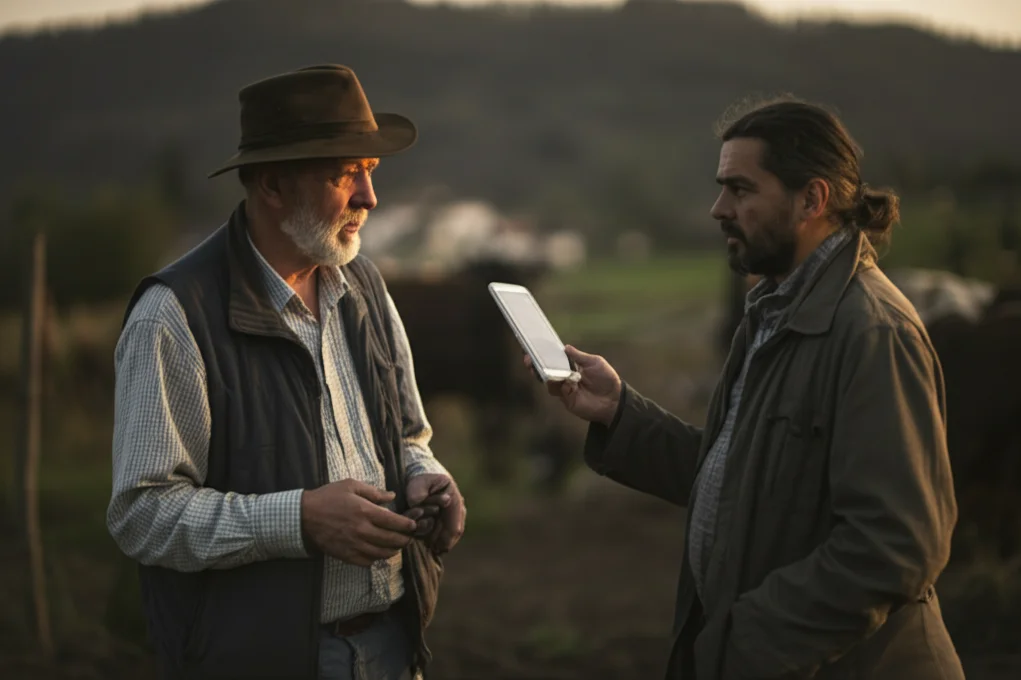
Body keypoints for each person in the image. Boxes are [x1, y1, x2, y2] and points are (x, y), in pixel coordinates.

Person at [537, 99, 963, 679]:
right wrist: (619, 414)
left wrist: (745, 641)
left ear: (811, 199)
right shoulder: (773, 313)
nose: (718, 209)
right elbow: (742, 480)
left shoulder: (872, 333)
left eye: (740, 190)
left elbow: (896, 546)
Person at [107, 64, 465, 680]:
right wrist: (298, 519)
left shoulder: (364, 285)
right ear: (272, 186)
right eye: (344, 174)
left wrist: (425, 477)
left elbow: (407, 435)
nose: (369, 199)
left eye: (370, 172)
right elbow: (143, 513)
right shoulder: (175, 316)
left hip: (391, 645)